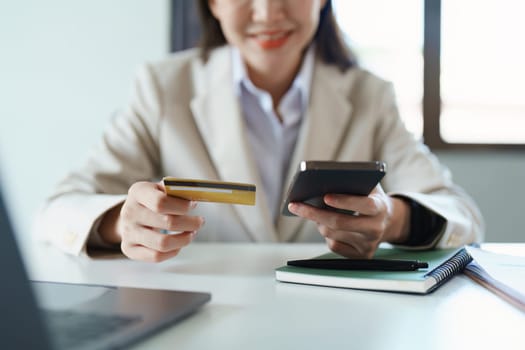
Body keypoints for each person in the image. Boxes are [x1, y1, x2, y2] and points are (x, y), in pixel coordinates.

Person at [36, 0, 484, 262]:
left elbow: (462, 214)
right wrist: (121, 222)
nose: (268, 12)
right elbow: (58, 209)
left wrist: (394, 220)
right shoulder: (162, 88)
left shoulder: (370, 96)